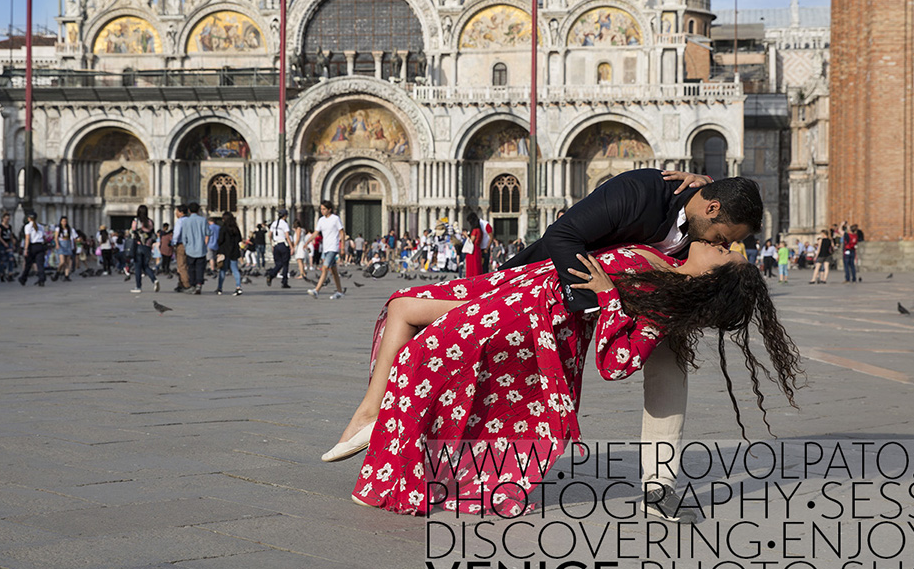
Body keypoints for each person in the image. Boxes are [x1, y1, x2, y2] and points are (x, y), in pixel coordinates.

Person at [339, 242, 802, 516]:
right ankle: (373, 418)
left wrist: (607, 298)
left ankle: (387, 457)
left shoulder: (664, 304)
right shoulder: (664, 256)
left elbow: (617, 362)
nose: (723, 244)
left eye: (725, 252)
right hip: (522, 284)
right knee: (403, 306)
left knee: (424, 356)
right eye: (726, 244)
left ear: (712, 278)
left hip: (532, 313)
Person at [496, 170, 762, 506]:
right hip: (562, 285)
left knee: (672, 364)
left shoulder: (704, 224)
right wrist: (602, 302)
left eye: (727, 245)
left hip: (651, 297)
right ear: (711, 210)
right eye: (722, 237)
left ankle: (660, 483)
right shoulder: (641, 192)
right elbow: (563, 234)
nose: (721, 245)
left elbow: (728, 198)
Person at [308, 200, 346, 299]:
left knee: (324, 268)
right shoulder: (321, 220)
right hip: (325, 248)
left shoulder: (335, 219)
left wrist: (342, 247)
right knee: (334, 271)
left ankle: (316, 290)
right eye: (321, 209)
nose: (322, 211)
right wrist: (307, 242)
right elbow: (316, 233)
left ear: (330, 209)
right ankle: (340, 291)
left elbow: (342, 232)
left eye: (324, 209)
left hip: (333, 247)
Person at [179, 202, 209, 295]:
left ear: (188, 210)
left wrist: (186, 246)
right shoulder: (203, 220)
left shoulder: (186, 221)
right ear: (198, 210)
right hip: (201, 249)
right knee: (200, 268)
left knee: (191, 268)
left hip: (190, 249)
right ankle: (199, 285)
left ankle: (192, 285)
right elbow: (208, 233)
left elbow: (184, 237)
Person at [129, 205, 159, 294]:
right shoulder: (150, 222)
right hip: (147, 247)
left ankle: (138, 286)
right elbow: (153, 235)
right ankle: (154, 280)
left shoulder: (136, 221)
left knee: (138, 267)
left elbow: (132, 232)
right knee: (145, 266)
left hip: (138, 246)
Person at [214, 211, 244, 296]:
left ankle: (219, 288)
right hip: (234, 252)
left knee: (223, 270)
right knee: (235, 270)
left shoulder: (223, 228)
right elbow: (239, 239)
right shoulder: (236, 228)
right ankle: (238, 287)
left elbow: (220, 240)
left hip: (224, 252)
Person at [265, 208, 292, 288]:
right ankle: (284, 282)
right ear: (285, 216)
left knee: (279, 263)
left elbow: (269, 235)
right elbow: (287, 236)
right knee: (285, 264)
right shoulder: (284, 224)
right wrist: (291, 246)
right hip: (283, 245)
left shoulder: (274, 223)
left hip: (276, 245)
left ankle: (271, 274)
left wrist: (272, 244)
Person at [18, 212, 47, 286]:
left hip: (32, 246)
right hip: (40, 246)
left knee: (28, 264)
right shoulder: (41, 226)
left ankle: (23, 278)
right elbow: (44, 237)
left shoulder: (28, 226)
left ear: (29, 218)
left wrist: (26, 249)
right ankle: (41, 279)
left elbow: (27, 238)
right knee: (40, 264)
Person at [55, 216, 75, 282]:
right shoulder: (58, 229)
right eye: (63, 221)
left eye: (65, 221)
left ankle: (66, 275)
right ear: (61, 222)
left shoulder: (69, 229)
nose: (64, 223)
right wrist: (57, 244)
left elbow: (72, 237)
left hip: (68, 244)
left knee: (67, 262)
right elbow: (56, 237)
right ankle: (58, 272)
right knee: (62, 262)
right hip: (61, 244)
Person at [463, 212, 483, 277]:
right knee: (477, 266)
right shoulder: (480, 230)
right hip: (477, 249)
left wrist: (466, 236)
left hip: (472, 251)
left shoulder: (475, 230)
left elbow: (471, 241)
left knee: (472, 267)